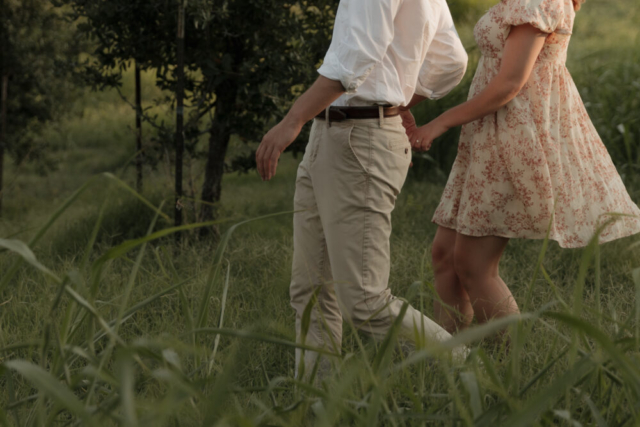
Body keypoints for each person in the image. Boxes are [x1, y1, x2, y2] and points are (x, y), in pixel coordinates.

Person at [256, 0, 469, 379]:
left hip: (359, 139)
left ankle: (463, 367)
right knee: (310, 289)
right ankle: (316, 402)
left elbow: (355, 57)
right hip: (334, 133)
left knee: (365, 301)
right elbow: (451, 61)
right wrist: (398, 98)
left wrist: (292, 120)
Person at [401, 0, 640, 333]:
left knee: (474, 265)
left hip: (512, 139)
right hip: (486, 137)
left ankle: (506, 366)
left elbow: (510, 83)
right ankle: (445, 359)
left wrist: (439, 123)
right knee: (445, 256)